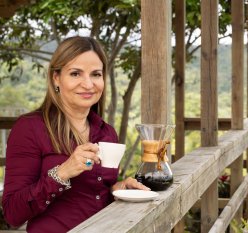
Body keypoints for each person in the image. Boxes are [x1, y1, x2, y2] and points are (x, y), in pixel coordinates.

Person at [2, 36, 149, 233]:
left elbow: (95, 196)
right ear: (56, 77)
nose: (88, 84)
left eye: (96, 74)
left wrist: (118, 189)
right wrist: (62, 173)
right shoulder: (30, 128)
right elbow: (13, 214)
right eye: (75, 74)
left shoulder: (106, 133)